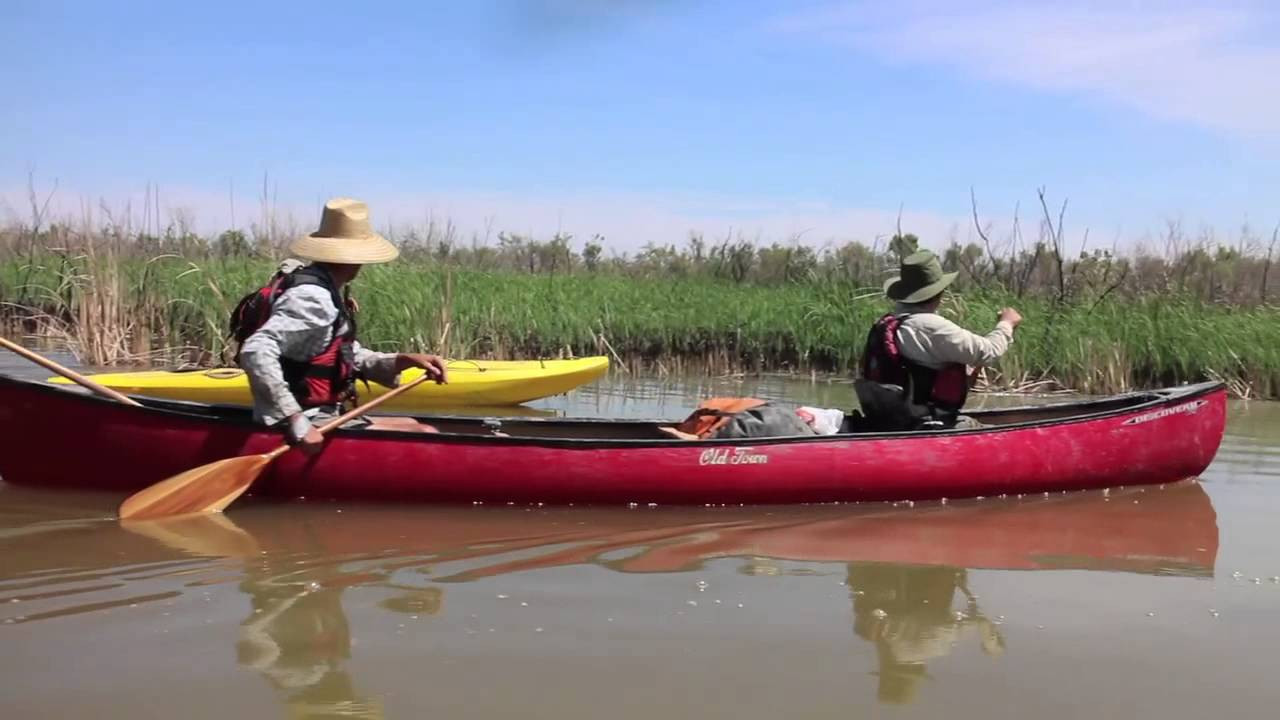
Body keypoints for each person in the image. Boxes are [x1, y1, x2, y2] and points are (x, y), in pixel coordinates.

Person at [238, 197, 448, 455]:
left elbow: (343, 354)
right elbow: (256, 350)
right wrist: (297, 422)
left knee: (411, 423)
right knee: (425, 434)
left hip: (321, 414)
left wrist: (403, 360)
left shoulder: (325, 289)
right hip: (304, 419)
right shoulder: (314, 298)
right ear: (354, 258)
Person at [857, 250, 1022, 430]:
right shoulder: (930, 326)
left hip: (890, 420)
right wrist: (1007, 323)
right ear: (938, 292)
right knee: (979, 427)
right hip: (921, 424)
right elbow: (989, 351)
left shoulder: (886, 323)